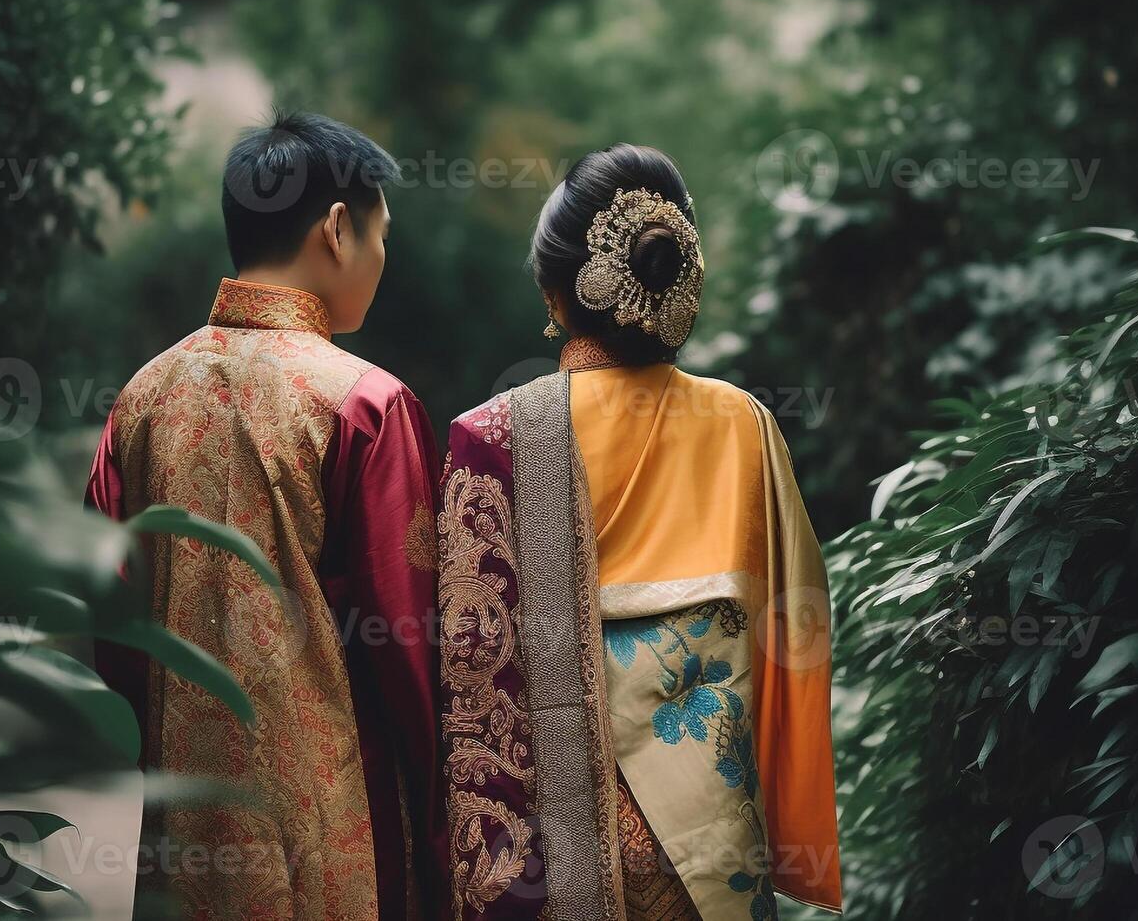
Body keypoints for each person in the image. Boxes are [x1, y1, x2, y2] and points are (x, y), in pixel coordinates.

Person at [437, 145, 842, 919]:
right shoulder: (741, 425)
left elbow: (470, 672)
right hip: (712, 847)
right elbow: (798, 630)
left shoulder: (492, 437)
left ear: (556, 294)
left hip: (555, 853)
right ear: (681, 277)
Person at [86, 112, 443, 920]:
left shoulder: (139, 399)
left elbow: (114, 627)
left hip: (187, 813)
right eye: (382, 235)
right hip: (335, 824)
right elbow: (406, 647)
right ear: (338, 227)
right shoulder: (364, 405)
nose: (382, 260)